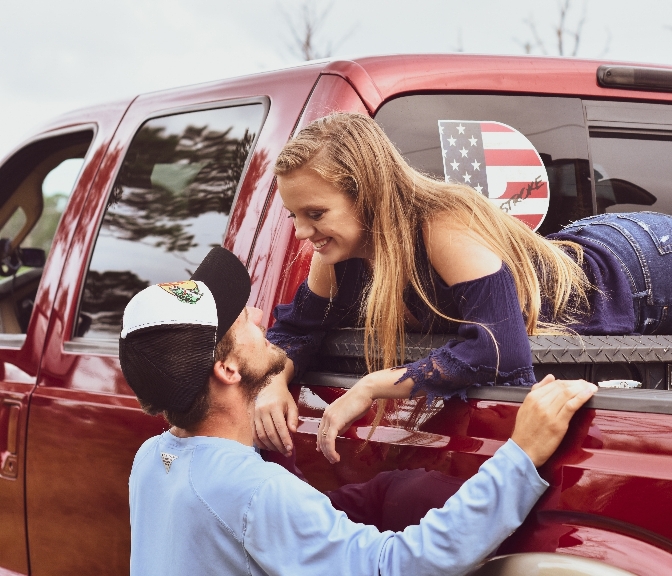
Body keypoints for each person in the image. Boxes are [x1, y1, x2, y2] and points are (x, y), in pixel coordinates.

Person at [255, 47, 672, 463]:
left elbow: (500, 350)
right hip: (615, 254)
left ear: (367, 193)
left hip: (651, 272)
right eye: (295, 216)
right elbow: (298, 329)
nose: (305, 231)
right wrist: (276, 380)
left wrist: (379, 384)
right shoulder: (343, 251)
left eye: (315, 214)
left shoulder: (440, 222)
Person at [120, 246, 598, 576]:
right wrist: (520, 456)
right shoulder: (253, 493)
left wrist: (389, 493)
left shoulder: (152, 460)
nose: (262, 318)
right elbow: (395, 567)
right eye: (243, 320)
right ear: (226, 368)